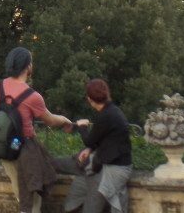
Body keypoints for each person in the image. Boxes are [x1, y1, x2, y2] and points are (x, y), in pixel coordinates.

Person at [0, 47, 73, 213]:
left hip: (4, 147)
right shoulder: (32, 96)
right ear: (28, 67)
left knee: (20, 191)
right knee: (31, 197)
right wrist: (65, 120)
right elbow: (50, 120)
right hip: (25, 149)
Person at [54, 78, 132, 213]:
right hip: (112, 164)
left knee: (82, 173)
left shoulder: (106, 115)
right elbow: (107, 139)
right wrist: (90, 149)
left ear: (90, 99)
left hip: (113, 169)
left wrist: (82, 127)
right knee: (80, 173)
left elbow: (89, 140)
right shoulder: (112, 111)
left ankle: (44, 164)